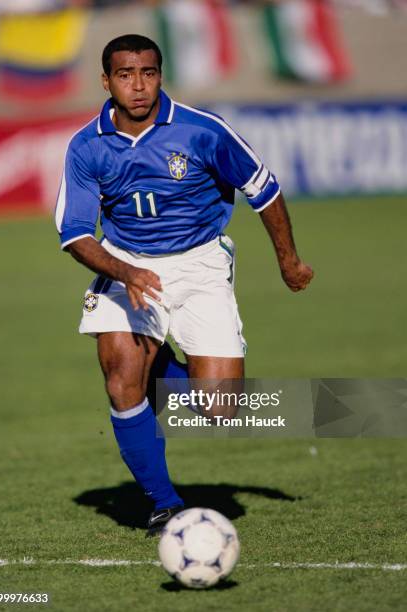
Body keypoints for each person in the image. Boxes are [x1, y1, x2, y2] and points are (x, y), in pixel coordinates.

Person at [55, 34, 313, 536]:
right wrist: (125, 273)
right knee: (120, 374)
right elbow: (76, 235)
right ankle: (164, 503)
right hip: (127, 265)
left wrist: (289, 262)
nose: (138, 85)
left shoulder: (202, 131)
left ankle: (162, 367)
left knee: (219, 407)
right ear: (106, 81)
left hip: (199, 264)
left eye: (148, 73)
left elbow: (264, 188)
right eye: (125, 75)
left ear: (161, 75)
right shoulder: (87, 145)